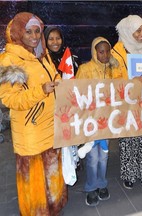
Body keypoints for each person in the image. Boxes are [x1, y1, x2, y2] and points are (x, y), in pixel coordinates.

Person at [0, 12, 67, 215]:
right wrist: (41, 91)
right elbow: (10, 99)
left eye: (37, 31)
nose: (35, 36)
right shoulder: (10, 59)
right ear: (18, 32)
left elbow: (53, 78)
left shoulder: (42, 54)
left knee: (52, 171)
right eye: (28, 31)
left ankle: (54, 207)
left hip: (50, 126)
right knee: (34, 177)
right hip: (30, 132)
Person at [111, 15, 142, 189]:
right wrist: (132, 82)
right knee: (130, 138)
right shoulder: (116, 52)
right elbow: (114, 80)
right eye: (138, 30)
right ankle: (129, 174)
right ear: (128, 31)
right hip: (127, 103)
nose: (141, 34)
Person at [75, 36, 119, 206]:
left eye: (108, 51)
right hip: (90, 122)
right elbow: (77, 94)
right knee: (92, 156)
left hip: (106, 120)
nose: (105, 54)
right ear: (95, 52)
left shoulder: (112, 69)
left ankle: (102, 183)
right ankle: (91, 187)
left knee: (104, 155)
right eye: (101, 51)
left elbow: (120, 90)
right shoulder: (85, 69)